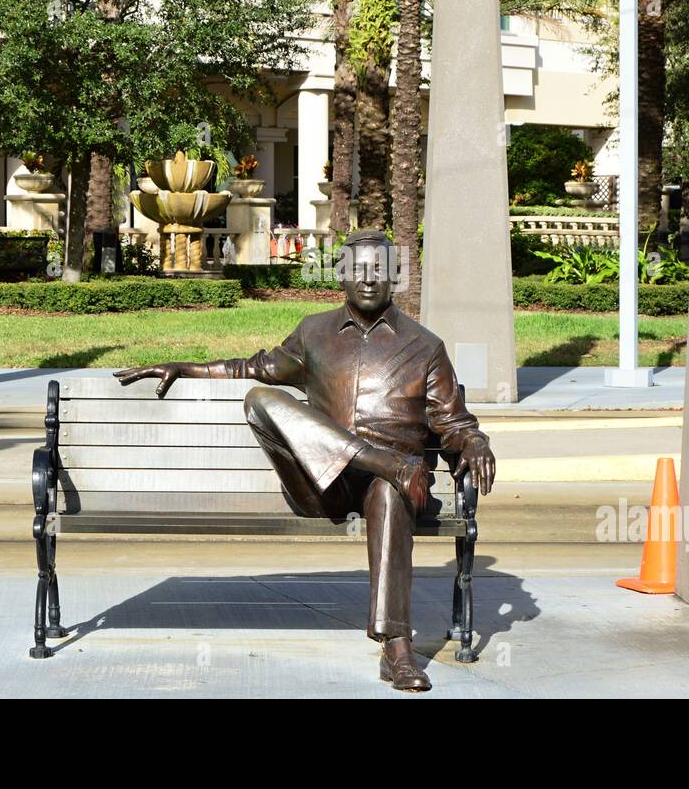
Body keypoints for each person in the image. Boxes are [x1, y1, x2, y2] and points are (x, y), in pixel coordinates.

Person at [114, 229, 496, 691]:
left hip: (392, 490)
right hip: (321, 485)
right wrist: (185, 367)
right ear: (341, 275)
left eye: (379, 269)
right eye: (358, 269)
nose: (369, 279)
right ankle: (385, 463)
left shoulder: (424, 346)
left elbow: (453, 421)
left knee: (390, 492)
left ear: (394, 276)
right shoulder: (314, 332)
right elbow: (250, 369)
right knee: (260, 398)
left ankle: (396, 647)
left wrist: (473, 441)